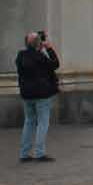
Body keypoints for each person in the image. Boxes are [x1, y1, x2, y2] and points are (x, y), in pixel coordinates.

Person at [15, 29, 59, 163]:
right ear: (38, 44)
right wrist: (49, 49)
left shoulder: (20, 56)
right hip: (42, 94)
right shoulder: (40, 57)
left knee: (28, 122)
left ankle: (24, 153)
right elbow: (55, 64)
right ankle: (39, 153)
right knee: (42, 123)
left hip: (27, 94)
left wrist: (38, 48)